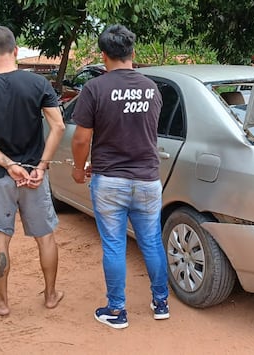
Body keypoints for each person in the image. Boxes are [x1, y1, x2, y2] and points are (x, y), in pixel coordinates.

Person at [0, 25, 66, 316]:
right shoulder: (37, 84)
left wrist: (8, 164)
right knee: (45, 236)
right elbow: (58, 126)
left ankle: (2, 303)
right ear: (16, 50)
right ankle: (50, 295)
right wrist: (42, 165)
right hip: (33, 175)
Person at [70, 24, 169, 329]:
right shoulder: (151, 88)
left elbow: (81, 139)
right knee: (151, 242)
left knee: (114, 246)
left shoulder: (95, 89)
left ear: (103, 55)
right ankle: (161, 303)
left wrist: (78, 167)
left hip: (110, 180)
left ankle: (116, 311)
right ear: (132, 53)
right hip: (147, 179)